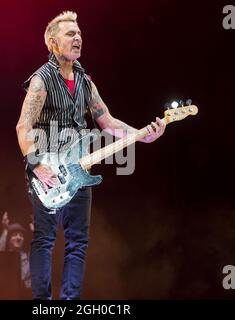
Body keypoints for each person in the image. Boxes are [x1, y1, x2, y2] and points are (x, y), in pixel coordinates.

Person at [15, 11, 166, 300]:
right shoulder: (41, 81)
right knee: (45, 240)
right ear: (52, 42)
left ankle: (70, 301)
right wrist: (35, 163)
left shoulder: (85, 82)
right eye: (70, 34)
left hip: (79, 171)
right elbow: (24, 125)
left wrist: (142, 134)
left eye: (79, 33)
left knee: (78, 242)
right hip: (47, 170)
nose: (78, 38)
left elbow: (106, 121)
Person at [0, 212, 31, 290]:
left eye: (21, 236)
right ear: (8, 240)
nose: (18, 238)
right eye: (14, 235)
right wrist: (5, 230)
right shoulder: (4, 257)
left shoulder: (28, 258)